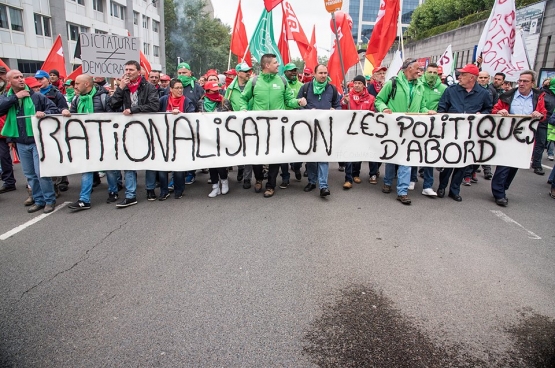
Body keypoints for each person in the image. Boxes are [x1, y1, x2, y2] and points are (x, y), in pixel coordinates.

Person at [239, 53, 307, 198]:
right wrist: (242, 108)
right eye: (275, 63)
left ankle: (270, 185)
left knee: (275, 157)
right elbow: (243, 98)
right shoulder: (254, 81)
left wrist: (298, 102)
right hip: (258, 128)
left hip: (277, 128)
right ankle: (258, 178)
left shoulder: (282, 80)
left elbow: (289, 100)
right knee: (257, 155)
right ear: (266, 65)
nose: (278, 65)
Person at [375, 58, 433, 205]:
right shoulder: (392, 83)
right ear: (408, 69)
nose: (420, 71)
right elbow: (379, 100)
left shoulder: (420, 87)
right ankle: (387, 182)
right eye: (417, 68)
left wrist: (428, 112)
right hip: (394, 128)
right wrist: (384, 109)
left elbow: (422, 107)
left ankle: (402, 191)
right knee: (391, 157)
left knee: (406, 159)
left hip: (411, 130)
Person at [0, 70, 58, 213]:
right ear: (9, 82)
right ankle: (38, 200)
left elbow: (53, 109)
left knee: (41, 173)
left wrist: (44, 113)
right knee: (30, 174)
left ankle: (49, 200)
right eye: (16, 77)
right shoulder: (7, 98)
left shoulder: (36, 96)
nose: (20, 79)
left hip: (37, 141)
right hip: (20, 142)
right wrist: (15, 98)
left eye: (21, 77)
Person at [436, 64, 492, 202]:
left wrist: (481, 114)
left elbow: (488, 109)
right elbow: (442, 107)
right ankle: (442, 187)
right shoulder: (451, 90)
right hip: (451, 132)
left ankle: (454, 190)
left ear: (471, 77)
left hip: (470, 134)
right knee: (448, 161)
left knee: (462, 163)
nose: (459, 77)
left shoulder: (484, 94)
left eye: (463, 75)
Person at [491, 70, 547, 206]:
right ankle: (498, 193)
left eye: (525, 81)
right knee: (504, 164)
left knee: (515, 164)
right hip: (507, 136)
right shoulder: (508, 95)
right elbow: (495, 110)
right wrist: (500, 111)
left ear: (532, 83)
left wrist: (539, 114)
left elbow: (544, 113)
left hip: (525, 139)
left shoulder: (538, 97)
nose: (521, 84)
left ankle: (503, 187)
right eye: (520, 80)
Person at [61, 74, 115, 210]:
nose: (75, 87)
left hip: (103, 140)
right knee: (87, 168)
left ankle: (113, 191)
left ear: (86, 84)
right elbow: (72, 116)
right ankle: (84, 199)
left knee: (109, 168)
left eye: (77, 83)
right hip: (84, 141)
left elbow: (112, 117)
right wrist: (67, 113)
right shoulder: (77, 99)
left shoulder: (104, 97)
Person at [110, 60, 159, 208]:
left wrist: (133, 110)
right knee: (129, 161)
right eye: (126, 69)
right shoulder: (123, 88)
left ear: (139, 71)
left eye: (131, 69)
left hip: (145, 129)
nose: (128, 72)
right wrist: (120, 88)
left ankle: (150, 189)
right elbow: (113, 105)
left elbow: (154, 106)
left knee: (149, 158)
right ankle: (130, 195)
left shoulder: (149, 87)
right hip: (128, 131)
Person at [299, 64, 341, 197]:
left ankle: (323, 186)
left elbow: (338, 105)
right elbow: (297, 106)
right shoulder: (305, 88)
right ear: (314, 74)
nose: (323, 76)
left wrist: (336, 110)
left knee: (323, 156)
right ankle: (312, 181)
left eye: (325, 73)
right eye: (321, 73)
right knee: (311, 157)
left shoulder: (332, 89)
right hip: (309, 129)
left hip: (325, 129)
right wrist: (306, 111)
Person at [158, 78, 195, 199]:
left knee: (178, 166)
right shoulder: (163, 100)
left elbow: (191, 117)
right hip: (164, 138)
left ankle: (179, 189)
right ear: (171, 89)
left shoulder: (187, 101)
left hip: (180, 139)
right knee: (163, 166)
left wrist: (181, 114)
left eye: (181, 88)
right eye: (177, 88)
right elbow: (155, 115)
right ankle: (164, 190)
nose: (180, 90)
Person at [417, 62, 447, 197]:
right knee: (413, 151)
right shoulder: (418, 85)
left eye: (435, 73)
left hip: (435, 125)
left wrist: (437, 114)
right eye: (430, 72)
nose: (432, 75)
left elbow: (444, 105)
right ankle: (412, 178)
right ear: (425, 72)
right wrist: (424, 111)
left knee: (430, 155)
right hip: (418, 123)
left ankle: (428, 185)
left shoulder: (444, 88)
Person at [198, 81, 233, 197]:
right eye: (214, 91)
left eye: (218, 90)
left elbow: (232, 117)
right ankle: (215, 185)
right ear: (207, 92)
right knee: (211, 162)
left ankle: (224, 181)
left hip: (222, 136)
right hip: (207, 137)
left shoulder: (224, 102)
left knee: (220, 161)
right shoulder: (201, 103)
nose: (217, 93)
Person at [341, 74, 375, 189]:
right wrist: (345, 103)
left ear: (364, 85)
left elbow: (372, 114)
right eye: (355, 83)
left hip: (363, 130)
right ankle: (348, 178)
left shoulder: (370, 98)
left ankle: (356, 173)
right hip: (350, 130)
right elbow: (341, 109)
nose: (357, 85)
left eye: (359, 83)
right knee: (349, 154)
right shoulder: (347, 96)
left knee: (358, 153)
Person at [225, 62, 254, 188]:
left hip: (252, 123)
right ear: (238, 73)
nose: (248, 73)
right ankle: (240, 167)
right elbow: (225, 105)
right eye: (245, 71)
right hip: (236, 125)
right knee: (238, 148)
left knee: (249, 150)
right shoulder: (230, 90)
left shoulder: (254, 85)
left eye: (249, 70)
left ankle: (247, 178)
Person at [280, 62, 304, 188]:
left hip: (299, 123)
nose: (294, 72)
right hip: (283, 123)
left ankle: (297, 167)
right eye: (291, 70)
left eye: (295, 70)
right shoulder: (281, 84)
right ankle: (285, 177)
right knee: (283, 151)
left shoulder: (302, 86)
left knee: (298, 148)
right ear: (285, 72)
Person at [0, 66, 18, 195]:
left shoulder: (10, 91)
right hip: (3, 130)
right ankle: (9, 182)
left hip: (11, 128)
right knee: (3, 157)